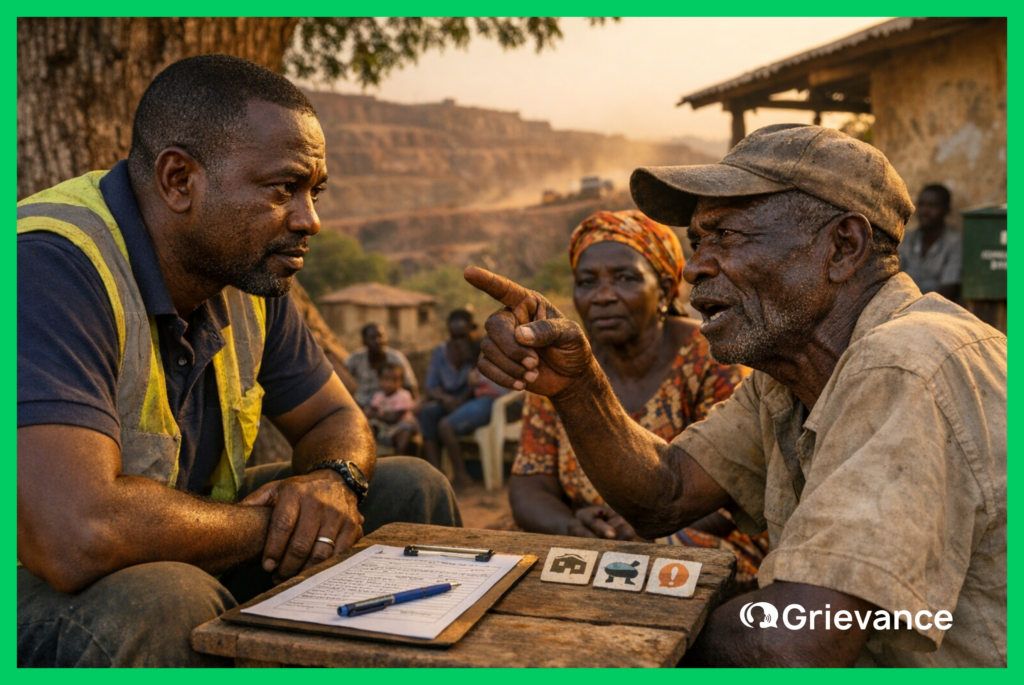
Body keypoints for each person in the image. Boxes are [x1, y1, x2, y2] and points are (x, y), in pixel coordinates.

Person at [466, 124, 1005, 667]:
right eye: (699, 242)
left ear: (843, 246)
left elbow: (790, 641)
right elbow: (666, 492)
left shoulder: (906, 363)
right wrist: (578, 387)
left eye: (727, 236)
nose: (695, 266)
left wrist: (619, 638)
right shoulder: (789, 373)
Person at [17, 55, 461, 668]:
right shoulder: (51, 267)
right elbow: (76, 534)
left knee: (410, 491)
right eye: (283, 189)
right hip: (39, 577)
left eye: (313, 191)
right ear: (179, 180)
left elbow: (336, 419)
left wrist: (334, 481)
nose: (310, 220)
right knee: (166, 598)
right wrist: (274, 524)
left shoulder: (242, 274)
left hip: (160, 541)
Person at [510, 210, 766, 591]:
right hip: (590, 539)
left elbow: (734, 488)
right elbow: (529, 485)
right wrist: (574, 527)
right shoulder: (563, 364)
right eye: (587, 282)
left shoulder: (710, 353)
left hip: (692, 534)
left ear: (664, 290)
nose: (602, 296)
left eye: (625, 278)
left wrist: (645, 524)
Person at [419, 309, 495, 490]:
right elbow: (430, 387)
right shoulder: (440, 352)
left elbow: (478, 386)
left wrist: (461, 400)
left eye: (463, 335)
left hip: (471, 400)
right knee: (427, 413)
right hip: (448, 401)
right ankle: (436, 475)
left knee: (445, 424)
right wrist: (445, 398)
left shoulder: (478, 350)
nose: (458, 341)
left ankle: (461, 475)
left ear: (471, 331)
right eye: (454, 336)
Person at [899, 184, 962, 301]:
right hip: (905, 307)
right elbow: (894, 280)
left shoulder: (954, 242)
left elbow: (949, 291)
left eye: (932, 206)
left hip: (940, 311)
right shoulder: (908, 239)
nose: (925, 211)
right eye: (921, 205)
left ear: (946, 210)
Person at [345, 322, 418, 408]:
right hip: (361, 406)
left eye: (381, 336)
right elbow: (343, 379)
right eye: (372, 338)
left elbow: (411, 386)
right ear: (364, 341)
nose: (378, 341)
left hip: (391, 408)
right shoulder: (356, 358)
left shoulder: (396, 358)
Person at [365, 362, 419, 456]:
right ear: (380, 380)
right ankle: (372, 451)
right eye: (386, 379)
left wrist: (376, 414)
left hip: (400, 425)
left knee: (405, 431)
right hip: (384, 426)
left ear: (401, 381)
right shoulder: (379, 395)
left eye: (394, 380)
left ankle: (399, 453)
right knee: (371, 426)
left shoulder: (404, 395)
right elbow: (372, 411)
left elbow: (394, 418)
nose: (389, 384)